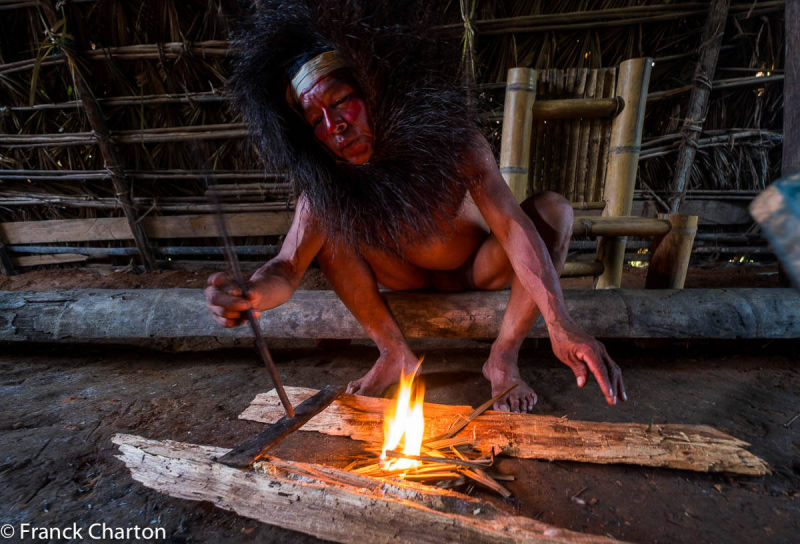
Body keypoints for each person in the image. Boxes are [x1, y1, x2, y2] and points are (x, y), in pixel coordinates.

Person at [205, 1, 626, 412]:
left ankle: (502, 358)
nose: (335, 127)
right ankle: (394, 353)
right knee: (329, 219)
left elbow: (513, 226)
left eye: (340, 102)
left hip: (478, 267)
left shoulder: (454, 143)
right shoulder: (326, 187)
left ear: (373, 90)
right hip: (402, 276)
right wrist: (253, 293)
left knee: (555, 211)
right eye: (316, 120)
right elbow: (287, 267)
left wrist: (559, 322)